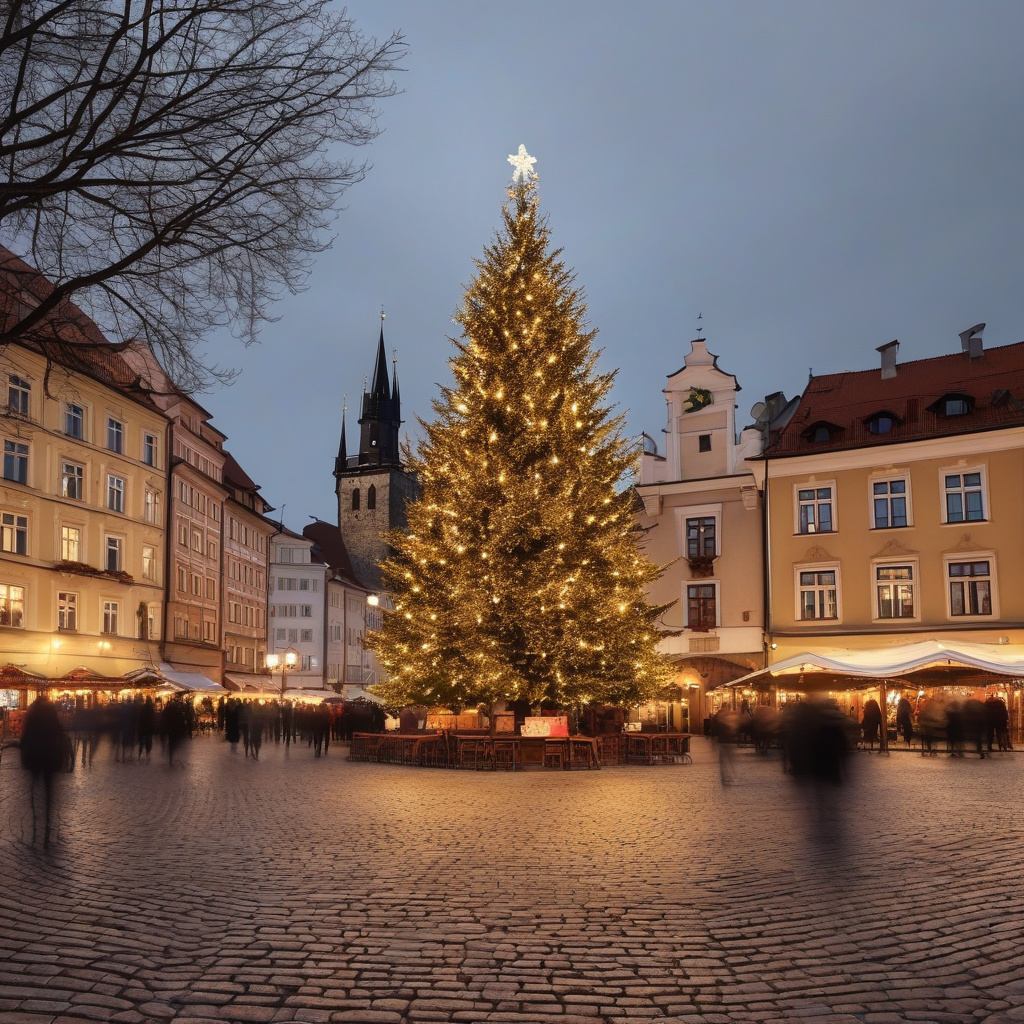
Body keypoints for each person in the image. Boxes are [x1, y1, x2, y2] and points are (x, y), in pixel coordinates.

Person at [20, 695, 69, 848]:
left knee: (34, 787)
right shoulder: (51, 713)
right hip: (49, 757)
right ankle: (48, 823)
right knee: (49, 791)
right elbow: (59, 732)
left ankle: (35, 821)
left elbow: (24, 737)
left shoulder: (32, 714)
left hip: (34, 757)